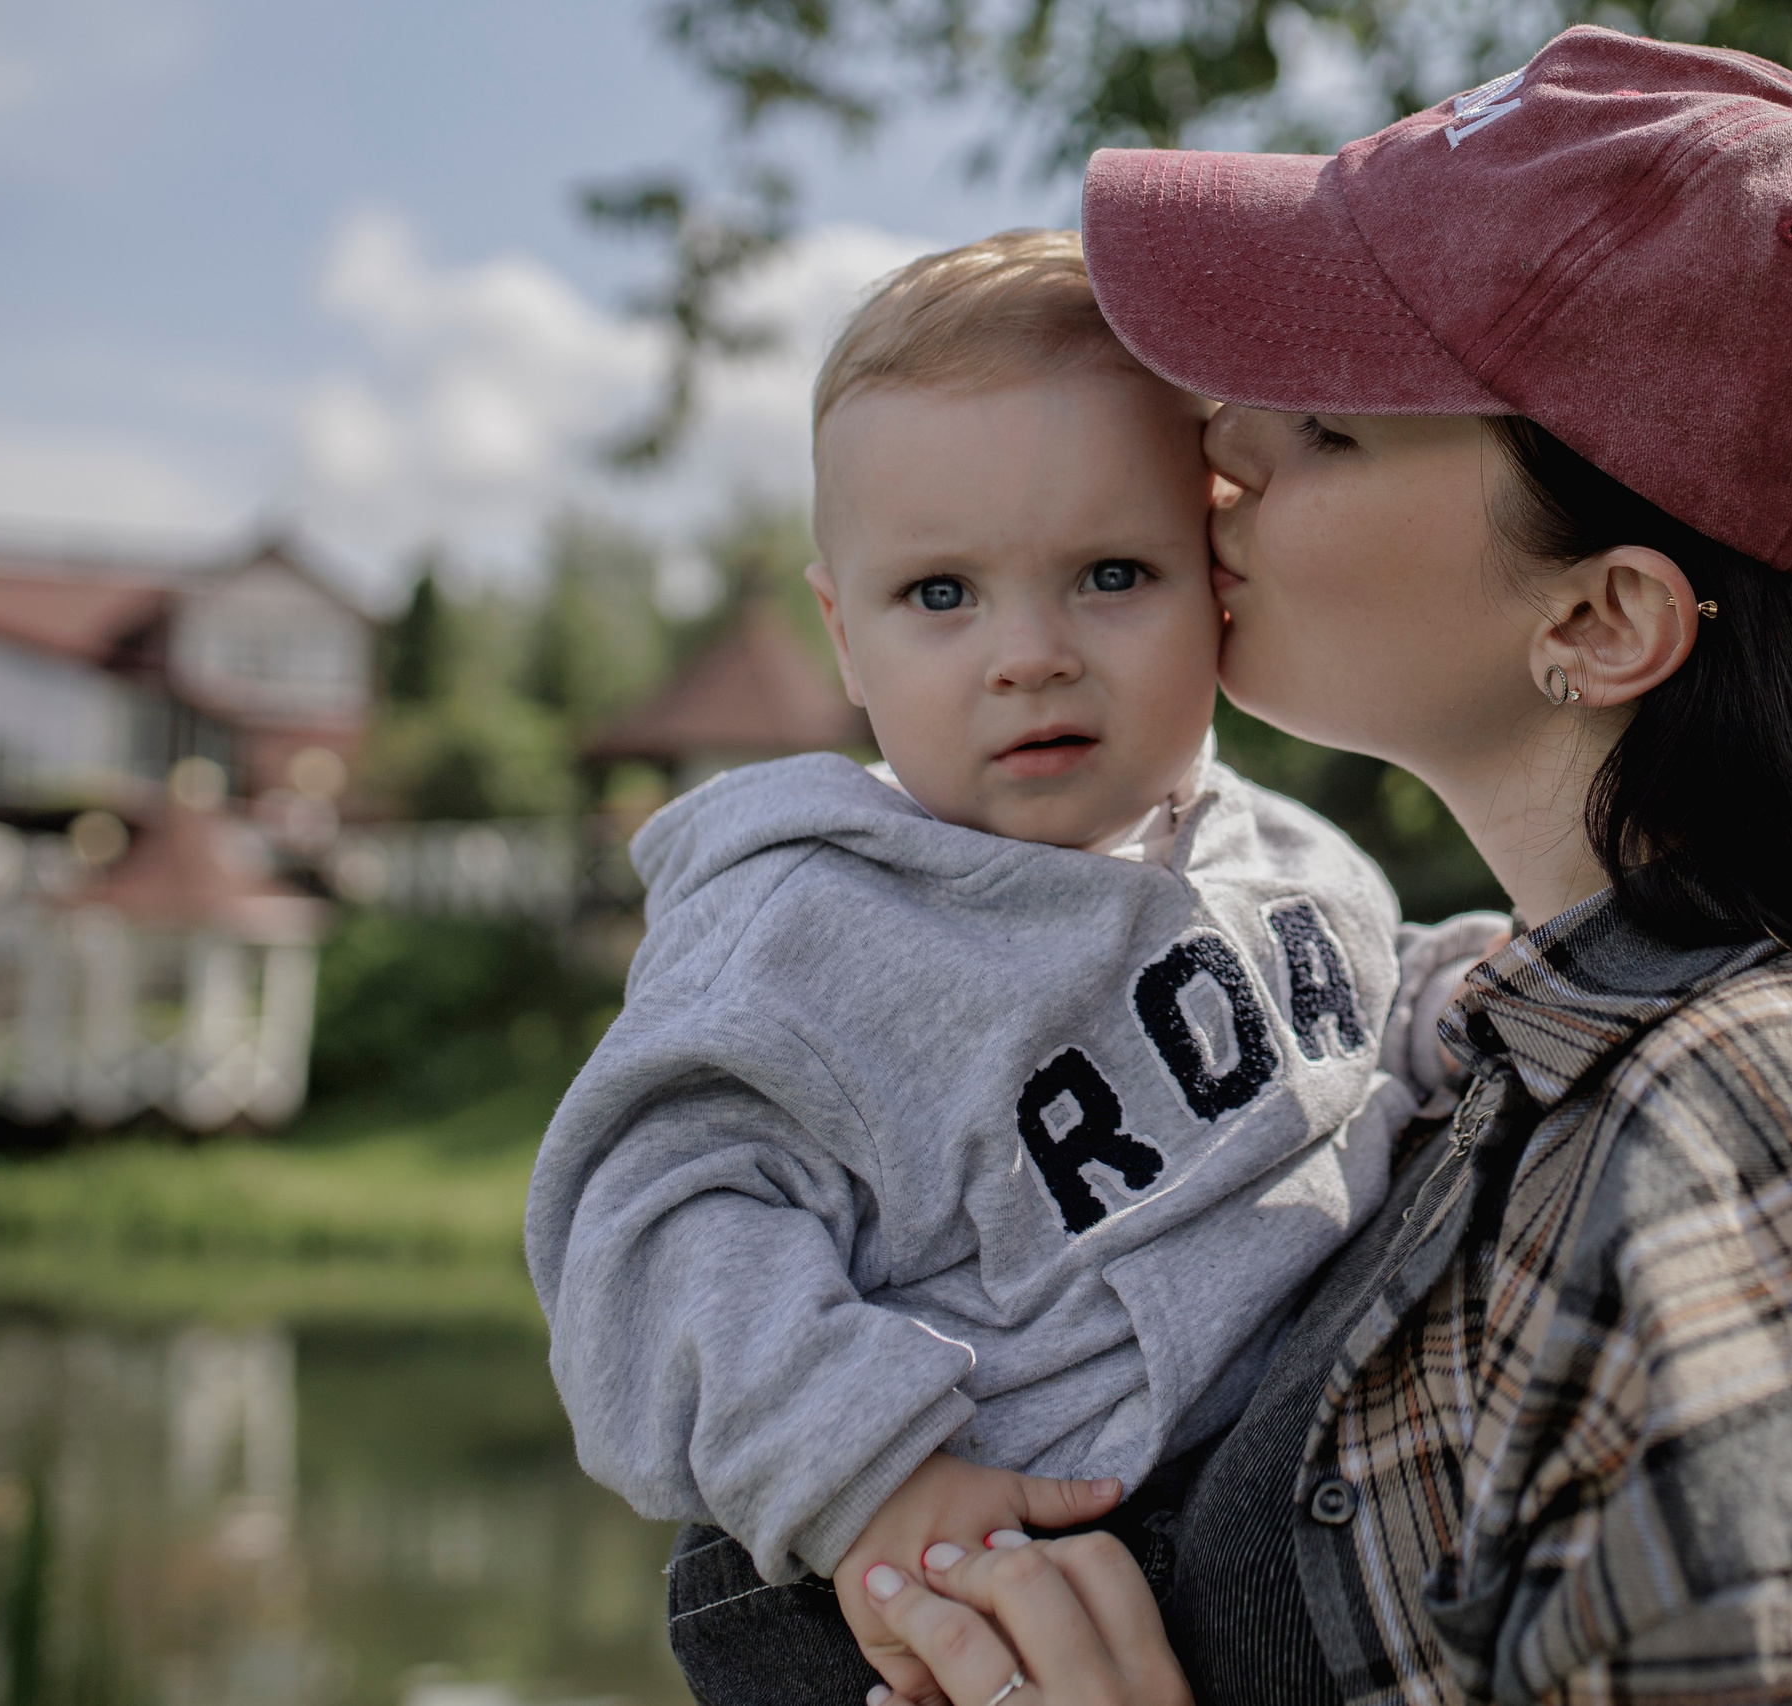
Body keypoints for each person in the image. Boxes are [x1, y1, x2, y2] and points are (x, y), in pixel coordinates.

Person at [843, 29, 1792, 1706]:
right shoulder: (1507, 1057)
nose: (1214, 449)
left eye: (1324, 425)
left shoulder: (1791, 1143)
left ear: (1600, 620)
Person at [524, 232, 1503, 1705]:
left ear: (1216, 574)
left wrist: (1449, 1001)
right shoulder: (810, 922)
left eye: (1112, 573)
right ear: (842, 635)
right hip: (935, 1554)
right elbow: (654, 1221)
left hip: (1236, 1489)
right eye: (940, 595)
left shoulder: (1284, 854)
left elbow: (1354, 1023)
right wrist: (872, 1469)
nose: (1030, 652)